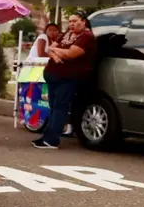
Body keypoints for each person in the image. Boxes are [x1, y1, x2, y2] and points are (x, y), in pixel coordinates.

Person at [34, 11, 97, 150]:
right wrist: (55, 53)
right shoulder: (66, 34)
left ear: (84, 22)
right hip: (53, 75)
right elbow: (49, 49)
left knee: (59, 108)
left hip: (68, 78)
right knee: (53, 106)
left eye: (75, 21)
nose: (71, 24)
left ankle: (52, 140)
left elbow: (70, 54)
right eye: (70, 22)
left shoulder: (86, 37)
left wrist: (56, 51)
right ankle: (46, 137)